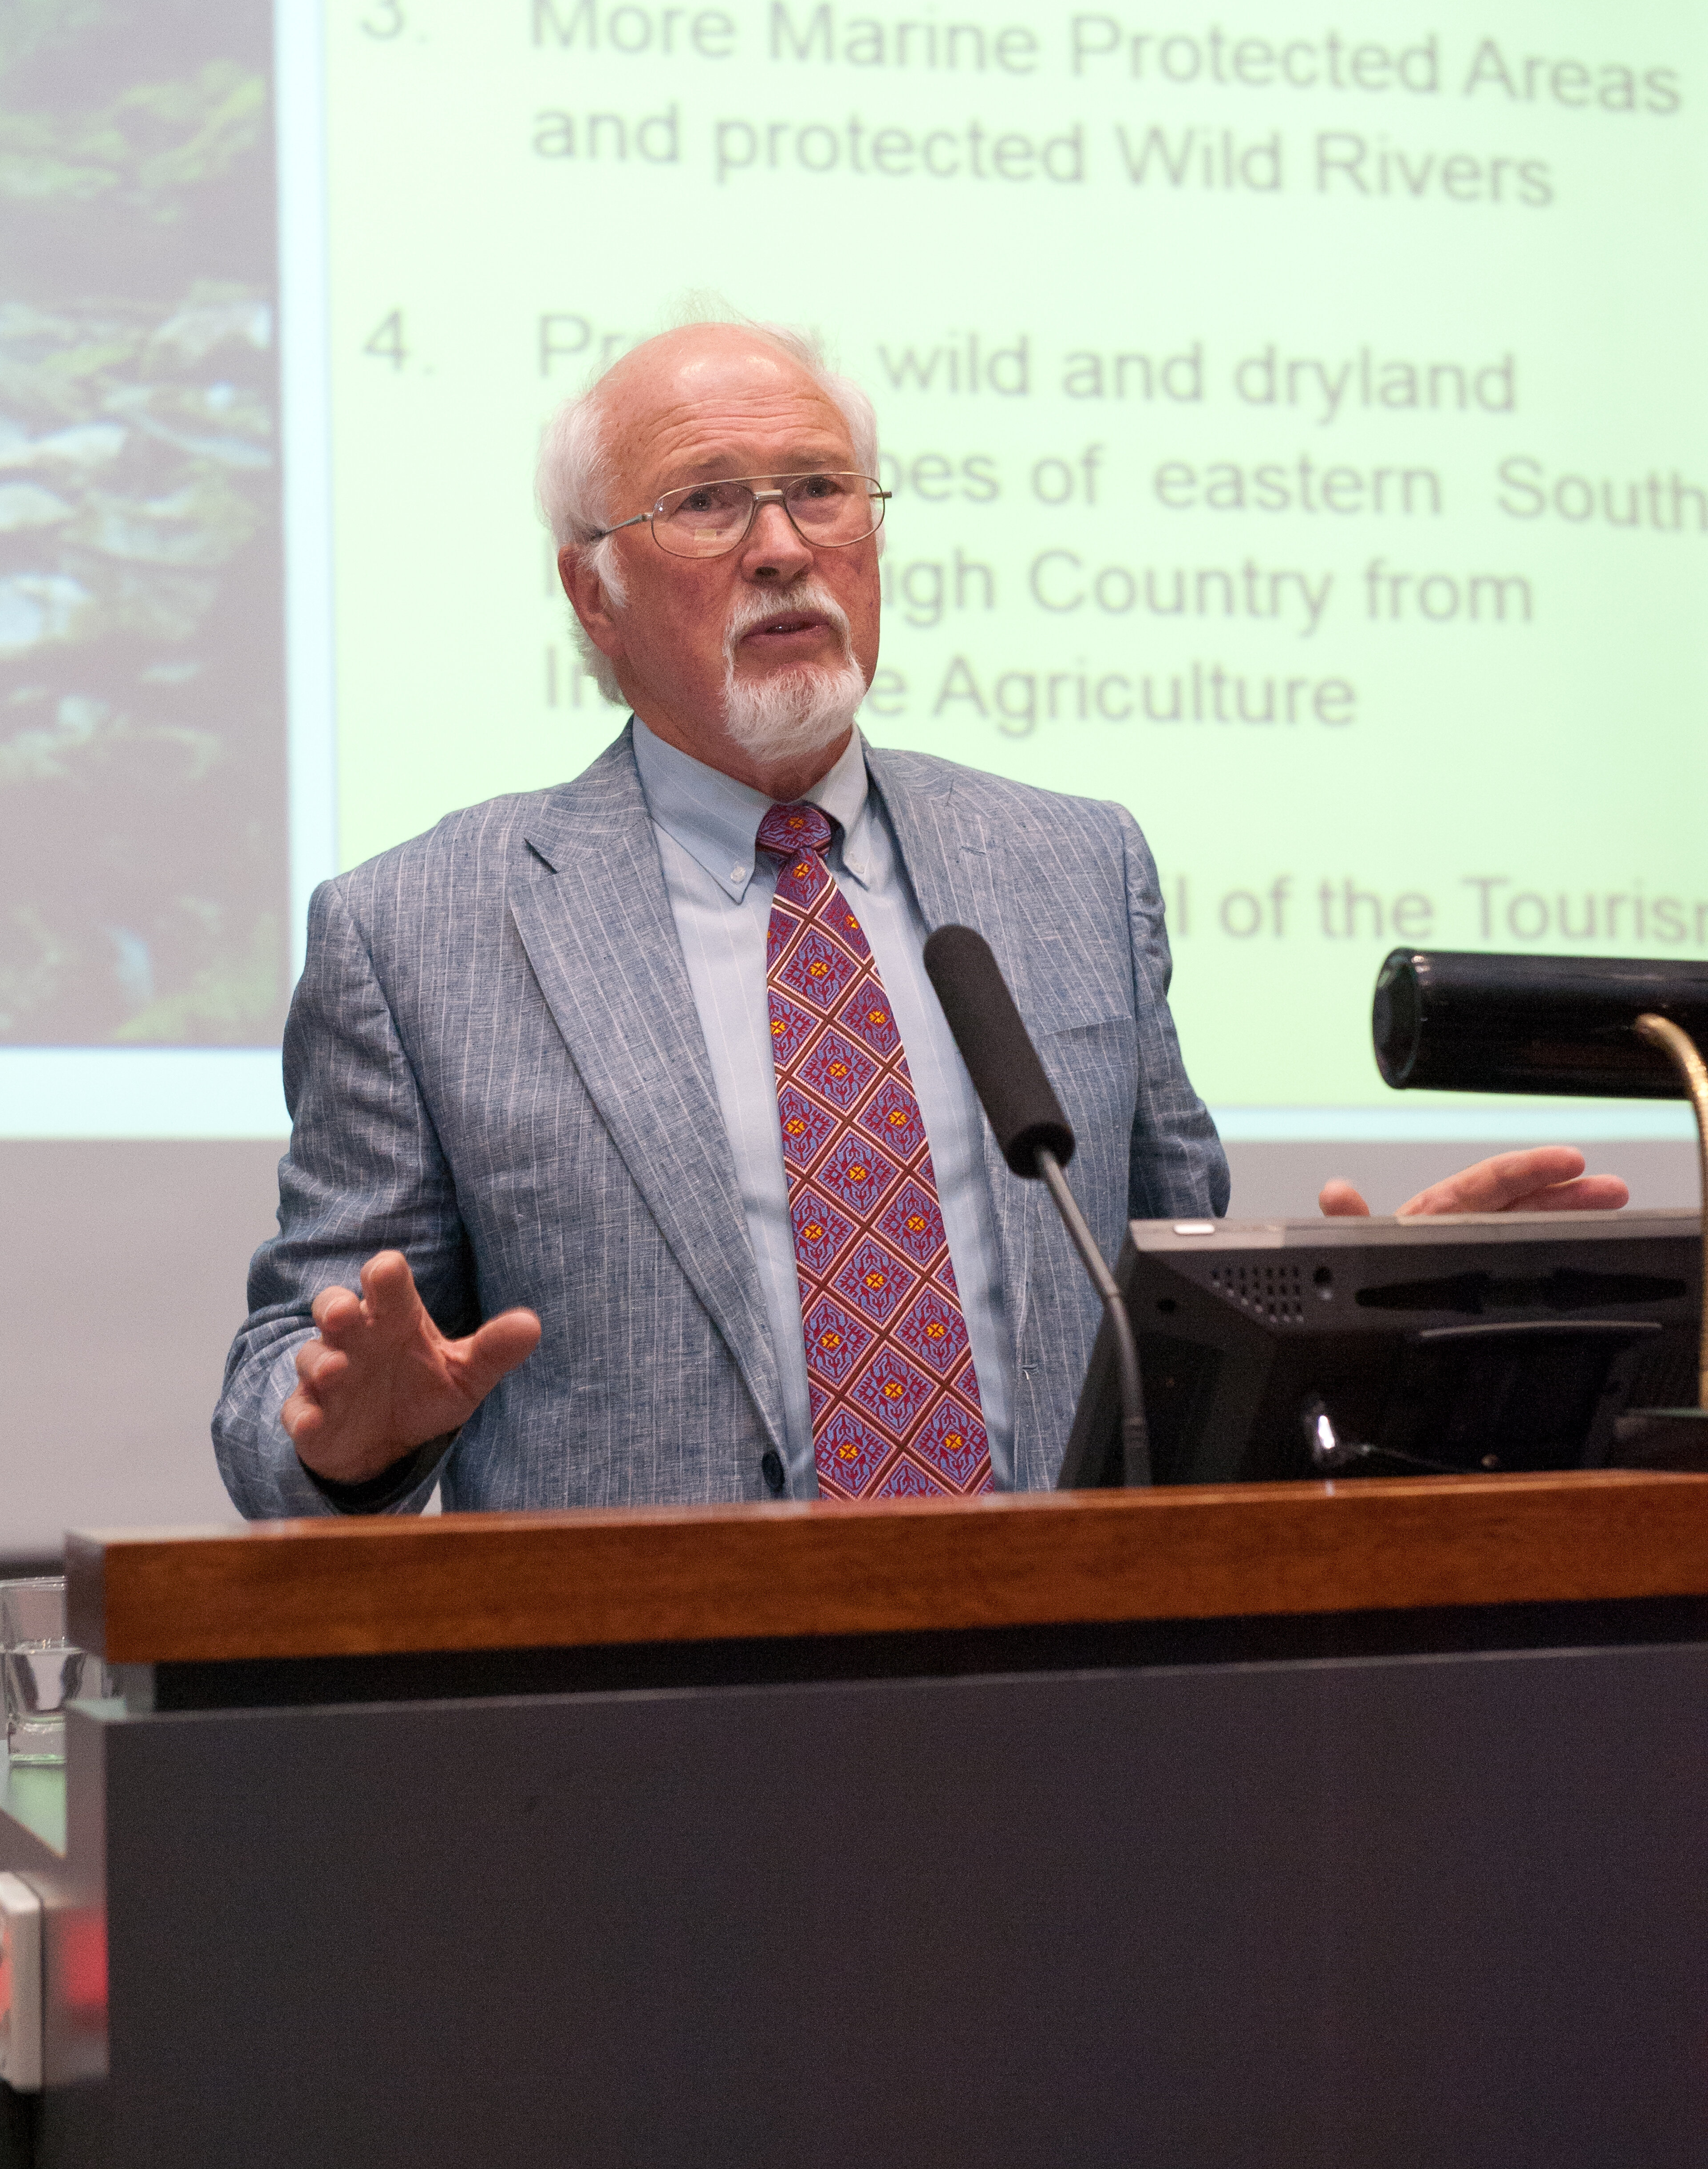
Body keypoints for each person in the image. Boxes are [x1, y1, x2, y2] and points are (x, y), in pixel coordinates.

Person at [212, 321, 1626, 1516]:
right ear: (596, 589)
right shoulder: (420, 932)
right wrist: (350, 1434)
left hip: (1075, 1703)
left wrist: (1362, 1313)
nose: (784, 547)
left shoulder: (1078, 866)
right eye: (708, 502)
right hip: (649, 1747)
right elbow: (280, 1381)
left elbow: (1184, 1315)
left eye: (822, 489)